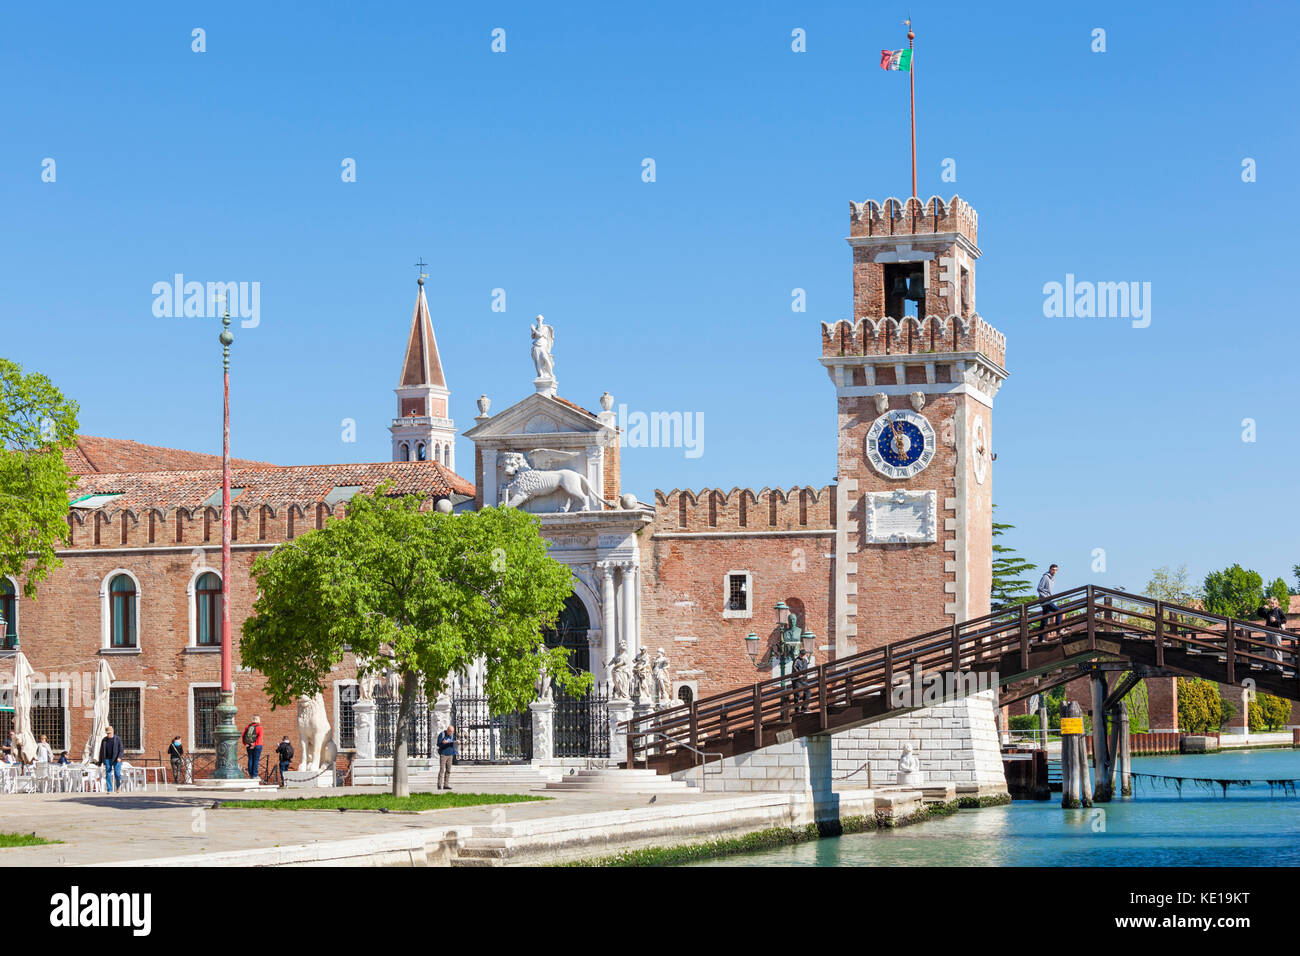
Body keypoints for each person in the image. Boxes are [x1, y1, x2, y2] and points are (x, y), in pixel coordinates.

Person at [1260, 596, 1287, 672]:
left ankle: (1279, 668)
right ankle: (1270, 666)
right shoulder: (1269, 612)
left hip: (1276, 631)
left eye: (1272, 603)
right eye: (1270, 603)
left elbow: (1284, 620)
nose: (1271, 604)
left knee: (1277, 649)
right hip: (1268, 632)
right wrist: (1262, 608)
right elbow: (1260, 614)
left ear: (1276, 603)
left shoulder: (1279, 610)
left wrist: (1276, 620)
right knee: (1268, 649)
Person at [98, 725, 125, 792]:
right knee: (108, 774)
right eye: (107, 733)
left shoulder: (117, 739)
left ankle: (118, 786)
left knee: (117, 774)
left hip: (116, 759)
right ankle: (109, 789)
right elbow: (101, 751)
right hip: (107, 759)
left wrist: (119, 757)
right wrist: (100, 761)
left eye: (109, 733)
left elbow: (121, 749)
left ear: (112, 732)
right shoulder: (104, 740)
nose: (108, 734)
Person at [1037, 564, 1061, 632]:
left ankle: (1041, 639)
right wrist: (1046, 597)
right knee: (1058, 611)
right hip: (1045, 600)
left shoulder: (1052, 578)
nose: (1054, 571)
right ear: (1050, 569)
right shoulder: (1046, 577)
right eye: (1053, 570)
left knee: (1045, 618)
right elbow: (1039, 588)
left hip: (1047, 599)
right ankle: (1058, 630)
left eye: (1056, 570)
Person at [436, 724, 457, 790]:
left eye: (452, 732)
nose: (451, 733)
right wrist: (443, 742)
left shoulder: (452, 735)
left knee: (448, 770)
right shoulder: (442, 734)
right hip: (443, 754)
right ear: (448, 730)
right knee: (442, 770)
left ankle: (446, 785)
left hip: (450, 754)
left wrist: (457, 742)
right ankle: (439, 785)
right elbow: (438, 744)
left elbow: (453, 743)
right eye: (450, 731)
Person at [242, 715, 264, 780]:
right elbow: (260, 737)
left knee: (250, 759)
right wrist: (254, 744)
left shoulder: (247, 727)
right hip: (257, 745)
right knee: (256, 760)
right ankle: (255, 775)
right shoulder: (260, 727)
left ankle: (251, 775)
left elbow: (243, 736)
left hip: (248, 745)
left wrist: (245, 743)